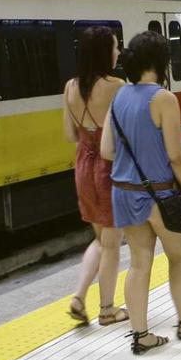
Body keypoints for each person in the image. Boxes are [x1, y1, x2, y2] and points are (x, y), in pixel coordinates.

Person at [100, 31, 181, 354]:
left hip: (125, 193)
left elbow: (107, 150)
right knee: (178, 259)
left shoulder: (119, 97)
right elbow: (175, 156)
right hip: (161, 196)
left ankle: (141, 335)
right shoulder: (164, 99)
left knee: (138, 264)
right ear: (161, 63)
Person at [62, 26, 129, 327]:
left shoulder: (70, 87)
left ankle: (78, 296)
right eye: (115, 47)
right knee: (112, 241)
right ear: (105, 52)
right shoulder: (117, 85)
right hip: (109, 166)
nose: (118, 53)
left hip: (83, 166)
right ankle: (107, 309)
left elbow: (69, 134)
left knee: (101, 238)